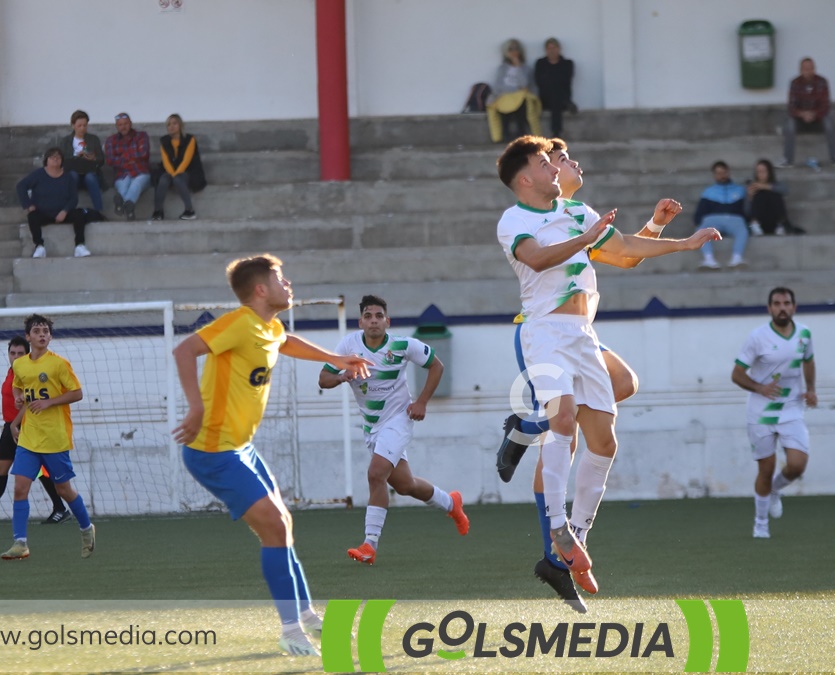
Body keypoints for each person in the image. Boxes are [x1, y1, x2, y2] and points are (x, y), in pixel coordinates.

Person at [494, 135, 718, 597]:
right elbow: (535, 260)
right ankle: (557, 526)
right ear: (525, 177)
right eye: (548, 162)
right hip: (543, 330)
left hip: (583, 335)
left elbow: (624, 250)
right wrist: (587, 239)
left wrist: (684, 243)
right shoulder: (514, 219)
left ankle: (576, 539)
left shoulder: (580, 212)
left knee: (605, 439)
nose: (558, 167)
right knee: (563, 419)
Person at [172, 254, 371, 657]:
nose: (289, 284)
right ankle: (290, 629)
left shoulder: (269, 326)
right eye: (281, 278)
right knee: (275, 527)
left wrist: (335, 358)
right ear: (261, 289)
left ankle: (306, 615)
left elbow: (286, 341)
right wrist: (195, 407)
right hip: (213, 451)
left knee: (284, 525)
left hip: (241, 448)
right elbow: (184, 350)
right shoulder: (239, 322)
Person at [318, 295, 469, 566]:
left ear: (387, 321)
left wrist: (421, 401)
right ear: (361, 321)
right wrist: (342, 377)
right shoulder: (348, 346)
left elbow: (437, 365)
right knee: (404, 484)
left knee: (376, 474)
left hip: (399, 420)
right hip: (373, 427)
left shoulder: (402, 345)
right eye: (368, 316)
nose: (374, 320)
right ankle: (451, 503)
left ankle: (369, 545)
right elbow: (323, 378)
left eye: (378, 316)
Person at [0, 314, 96, 561]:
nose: (42, 334)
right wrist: (19, 399)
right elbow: (18, 386)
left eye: (46, 331)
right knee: (20, 488)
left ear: (50, 337)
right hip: (30, 437)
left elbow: (77, 393)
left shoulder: (59, 364)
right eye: (37, 331)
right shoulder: (20, 364)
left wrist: (49, 402)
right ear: (29, 336)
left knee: (63, 489)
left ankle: (87, 529)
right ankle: (20, 543)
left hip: (55, 437)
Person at [730, 288, 817, 539]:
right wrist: (759, 387)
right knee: (765, 469)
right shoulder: (757, 337)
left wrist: (811, 389)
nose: (782, 307)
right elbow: (736, 374)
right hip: (761, 412)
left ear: (794, 307)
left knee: (797, 465)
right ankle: (760, 523)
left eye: (787, 303)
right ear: (769, 308)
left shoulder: (804, 333)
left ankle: (776, 490)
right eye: (777, 303)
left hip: (791, 409)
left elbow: (808, 361)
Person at [0, 337, 69, 526]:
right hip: (9, 425)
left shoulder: (29, 373)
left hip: (24, 426)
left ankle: (60, 508)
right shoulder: (13, 372)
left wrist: (16, 425)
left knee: (39, 471)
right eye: (12, 353)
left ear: (27, 354)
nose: (16, 356)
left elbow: (29, 401)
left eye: (20, 353)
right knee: (1, 469)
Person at [16, 148, 91, 259]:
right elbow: (21, 186)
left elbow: (74, 198)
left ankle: (79, 245)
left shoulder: (68, 177)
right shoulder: (38, 174)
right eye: (52, 157)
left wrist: (64, 211)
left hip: (62, 213)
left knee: (79, 215)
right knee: (32, 217)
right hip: (43, 212)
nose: (55, 159)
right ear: (47, 160)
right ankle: (39, 246)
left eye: (58, 157)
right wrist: (28, 205)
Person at [780, 57, 835, 168]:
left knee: (829, 123)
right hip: (800, 120)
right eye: (805, 69)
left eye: (810, 68)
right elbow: (791, 107)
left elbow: (825, 105)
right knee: (789, 125)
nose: (808, 71)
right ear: (800, 70)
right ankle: (787, 160)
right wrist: (803, 114)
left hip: (818, 119)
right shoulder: (795, 83)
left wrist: (813, 114)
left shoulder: (822, 82)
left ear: (814, 69)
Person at [693, 161, 749, 269]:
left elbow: (746, 209)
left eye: (724, 173)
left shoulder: (740, 190)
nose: (721, 176)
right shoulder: (708, 192)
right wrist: (699, 223)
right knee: (701, 229)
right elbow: (699, 213)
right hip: (713, 220)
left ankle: (736, 259)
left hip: (735, 219)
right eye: (718, 173)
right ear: (714, 175)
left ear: (728, 173)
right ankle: (709, 260)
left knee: (742, 230)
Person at [486, 39, 543, 143]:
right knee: (502, 107)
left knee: (521, 106)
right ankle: (505, 134)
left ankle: (521, 133)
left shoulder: (526, 69)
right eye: (510, 49)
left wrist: (517, 66)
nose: (513, 52)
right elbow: (499, 86)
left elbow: (525, 84)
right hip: (505, 96)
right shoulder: (502, 68)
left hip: (521, 97)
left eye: (516, 49)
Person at [153, 114, 204, 221]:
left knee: (178, 179)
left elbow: (187, 160)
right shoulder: (164, 141)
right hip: (171, 170)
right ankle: (158, 211)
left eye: (174, 123)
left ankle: (190, 210)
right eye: (168, 125)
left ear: (180, 125)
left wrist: (175, 175)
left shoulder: (190, 139)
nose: (171, 127)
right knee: (163, 179)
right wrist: (171, 174)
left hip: (188, 171)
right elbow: (166, 161)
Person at [104, 112, 150, 221]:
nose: (123, 127)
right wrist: (132, 158)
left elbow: (144, 154)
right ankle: (129, 208)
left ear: (130, 124)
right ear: (116, 126)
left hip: (140, 172)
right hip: (122, 174)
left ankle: (123, 203)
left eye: (125, 124)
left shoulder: (141, 136)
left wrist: (122, 158)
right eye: (120, 124)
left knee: (136, 184)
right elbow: (110, 160)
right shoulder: (111, 140)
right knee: (123, 186)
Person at [58, 110, 106, 212]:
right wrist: (76, 157)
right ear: (73, 125)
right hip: (73, 173)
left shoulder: (93, 139)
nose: (82, 128)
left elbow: (101, 160)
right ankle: (68, 210)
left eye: (85, 125)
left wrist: (93, 158)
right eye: (79, 125)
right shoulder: (66, 141)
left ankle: (99, 211)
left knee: (90, 177)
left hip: (90, 172)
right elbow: (61, 160)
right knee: (73, 176)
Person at [535, 38, 575, 138]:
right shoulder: (541, 63)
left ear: (559, 49)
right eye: (549, 48)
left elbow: (566, 81)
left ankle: (556, 132)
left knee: (556, 97)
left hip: (561, 97)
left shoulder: (567, 64)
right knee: (554, 95)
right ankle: (556, 132)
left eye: (554, 48)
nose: (552, 50)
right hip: (545, 98)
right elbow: (539, 81)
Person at [745, 159, 793, 236]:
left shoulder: (776, 184)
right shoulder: (752, 187)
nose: (761, 174)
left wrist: (765, 186)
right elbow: (746, 210)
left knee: (775, 193)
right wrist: (749, 197)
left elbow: (785, 190)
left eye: (763, 171)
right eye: (758, 172)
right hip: (759, 222)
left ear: (769, 172)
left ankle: (780, 225)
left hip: (774, 221)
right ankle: (755, 225)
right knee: (759, 195)